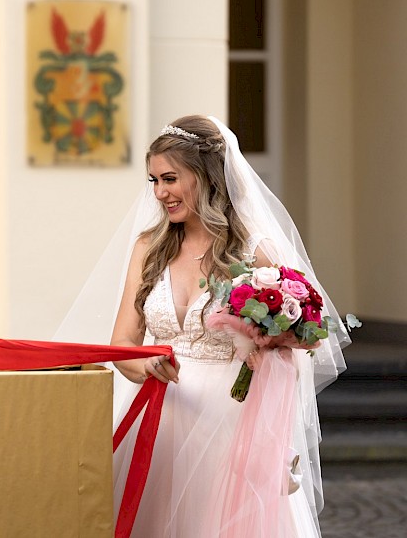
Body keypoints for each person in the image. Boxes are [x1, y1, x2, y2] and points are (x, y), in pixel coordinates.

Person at [53, 115, 351, 536]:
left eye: (170, 179)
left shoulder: (254, 254)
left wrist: (273, 343)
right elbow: (123, 342)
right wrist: (147, 365)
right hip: (160, 420)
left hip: (228, 424)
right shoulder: (148, 248)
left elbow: (298, 343)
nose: (159, 193)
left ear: (206, 177)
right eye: (154, 180)